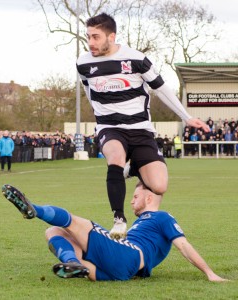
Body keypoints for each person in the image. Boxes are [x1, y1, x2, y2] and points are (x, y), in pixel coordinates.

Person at [76, 13, 210, 239]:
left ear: (112, 36)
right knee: (115, 157)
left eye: (96, 37)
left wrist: (186, 117)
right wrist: (100, 120)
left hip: (140, 129)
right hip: (110, 127)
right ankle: (119, 218)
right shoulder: (83, 63)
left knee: (159, 186)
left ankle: (134, 169)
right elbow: (90, 92)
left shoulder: (136, 59)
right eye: (88, 36)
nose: (91, 43)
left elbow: (161, 88)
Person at [1, 183, 227, 282]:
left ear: (149, 198)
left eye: (135, 197)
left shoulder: (162, 217)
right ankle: (74, 263)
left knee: (75, 223)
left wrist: (209, 273)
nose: (131, 201)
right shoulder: (141, 223)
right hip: (121, 271)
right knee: (53, 231)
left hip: (128, 256)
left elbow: (183, 246)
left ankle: (33, 209)